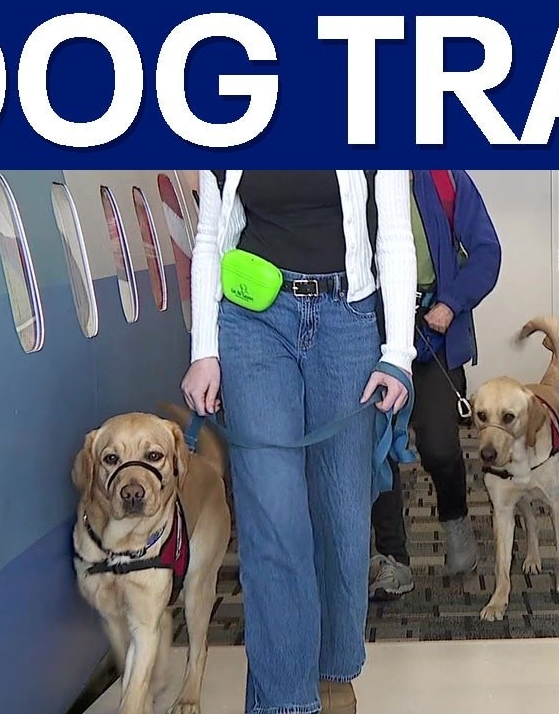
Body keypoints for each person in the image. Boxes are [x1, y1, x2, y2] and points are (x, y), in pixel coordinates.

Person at [180, 170, 415, 714]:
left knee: (341, 517)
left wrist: (398, 353)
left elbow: (395, 234)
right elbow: (211, 234)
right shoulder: (231, 107)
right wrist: (203, 349)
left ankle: (332, 672)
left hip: (347, 318)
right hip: (254, 320)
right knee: (274, 517)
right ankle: (286, 701)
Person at [368, 170, 503, 599]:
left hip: (433, 333)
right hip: (368, 332)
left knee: (440, 444)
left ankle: (456, 524)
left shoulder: (444, 175)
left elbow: (486, 250)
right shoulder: (350, 176)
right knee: (377, 450)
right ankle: (394, 561)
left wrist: (451, 302)